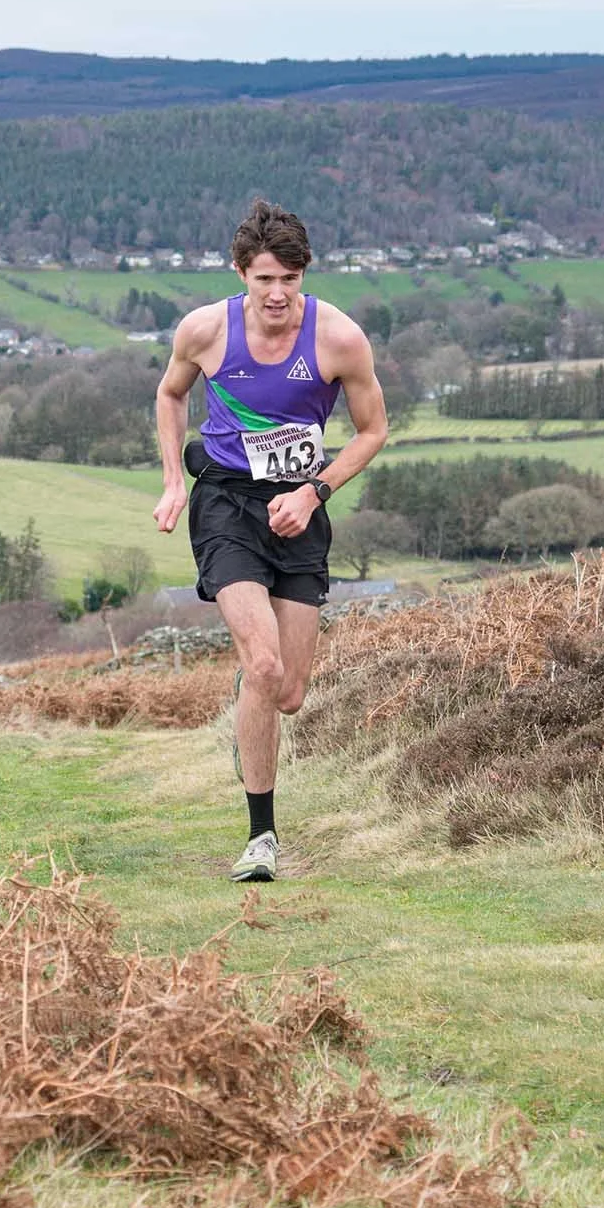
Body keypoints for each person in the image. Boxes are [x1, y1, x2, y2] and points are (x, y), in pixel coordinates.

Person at [153, 200, 389, 882]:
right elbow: (170, 396)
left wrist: (315, 489)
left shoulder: (339, 339)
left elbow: (373, 429)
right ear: (240, 274)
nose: (278, 292)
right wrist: (174, 480)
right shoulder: (204, 330)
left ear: (305, 273)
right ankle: (262, 837)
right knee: (264, 666)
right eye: (264, 279)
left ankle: (255, 689)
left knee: (287, 692)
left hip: (298, 509)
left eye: (290, 277)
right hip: (225, 501)